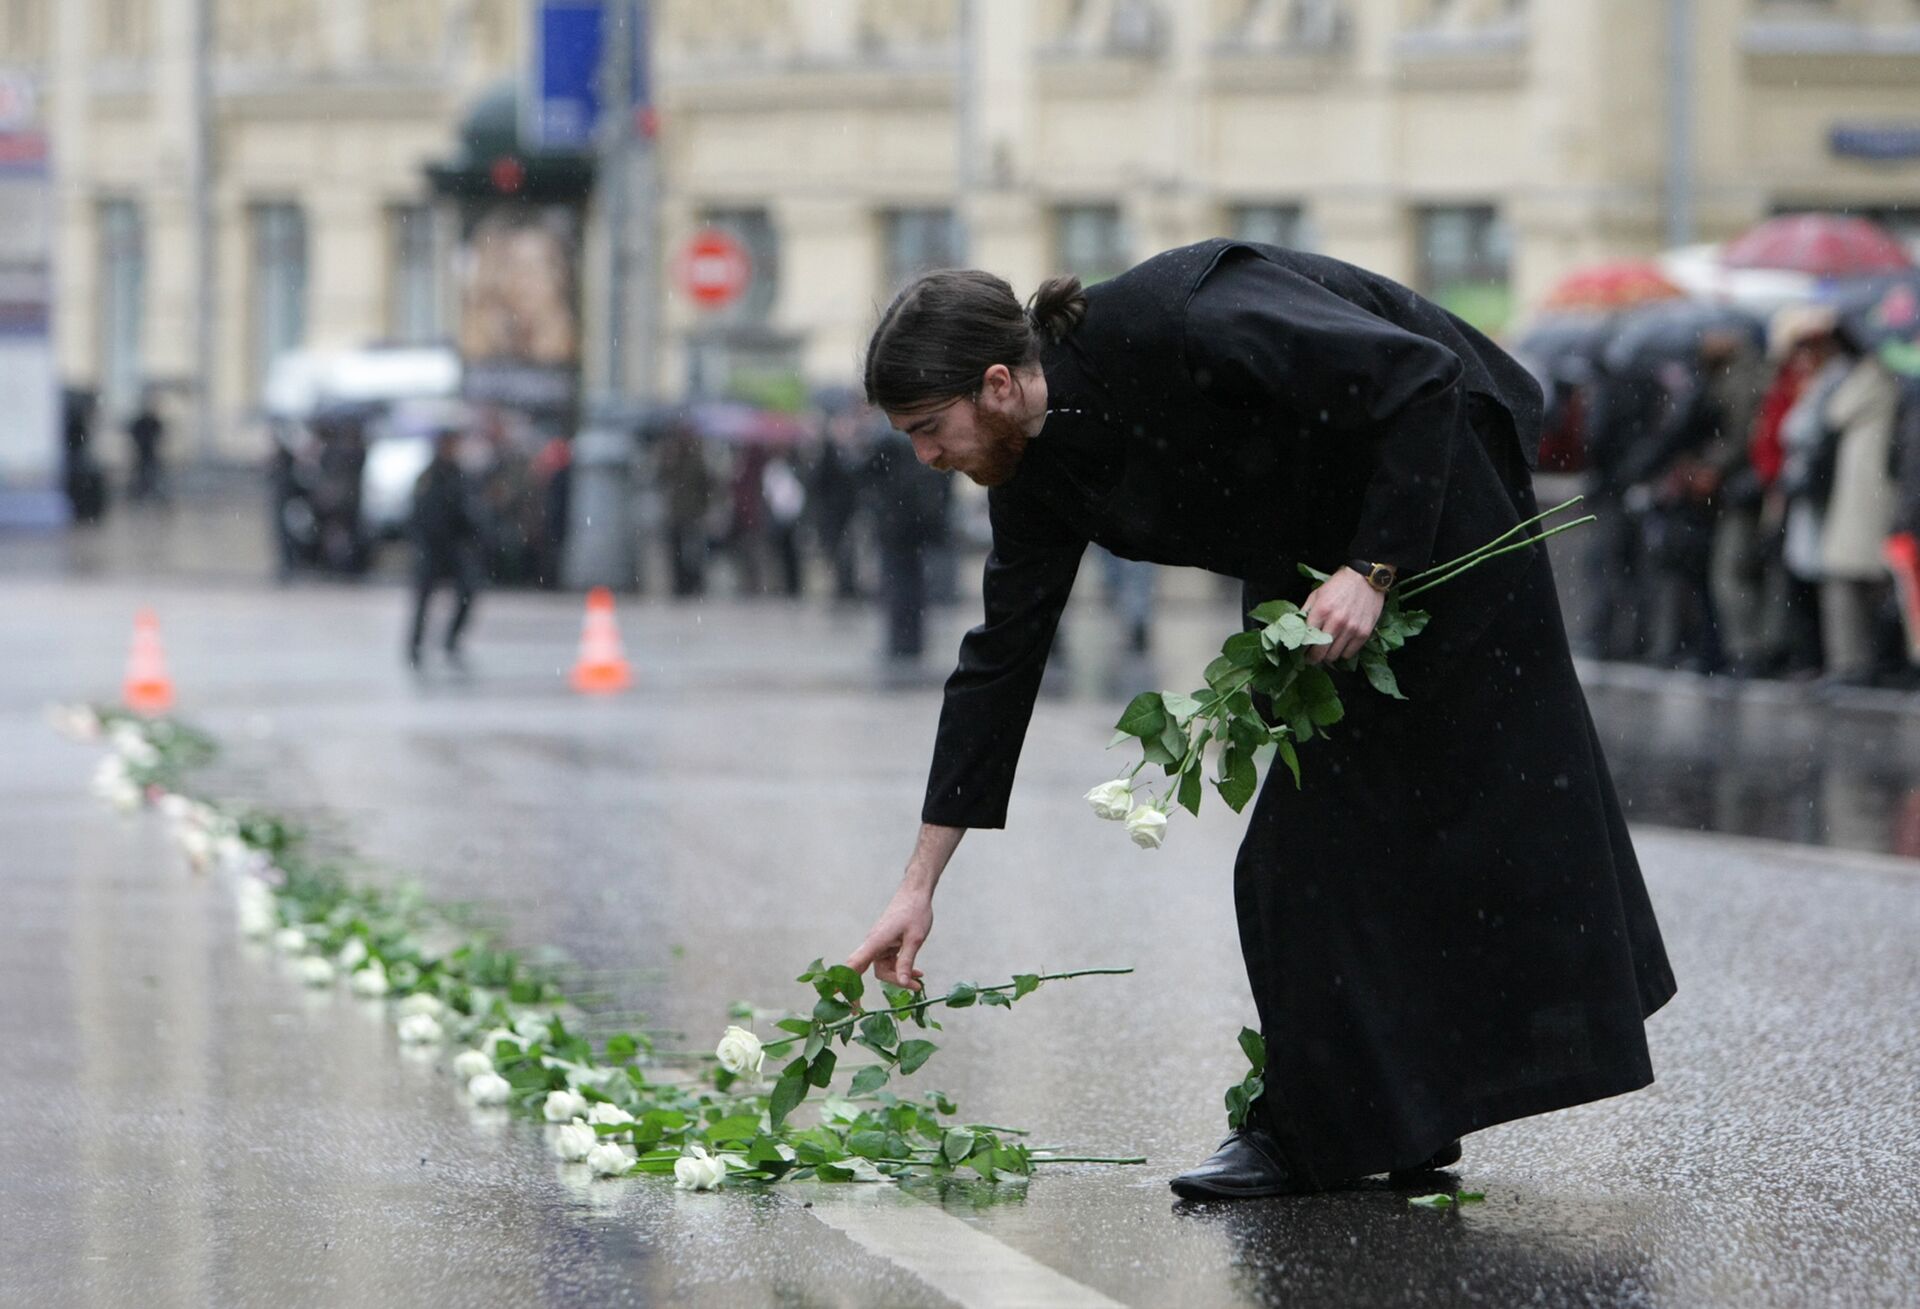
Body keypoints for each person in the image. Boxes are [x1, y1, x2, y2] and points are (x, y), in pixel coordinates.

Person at [842, 241, 1676, 1201]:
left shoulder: (1183, 315)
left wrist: (1375, 568)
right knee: (1339, 836)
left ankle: (1307, 1132)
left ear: (993, 383)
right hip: (1314, 565)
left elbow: (1419, 377)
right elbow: (999, 663)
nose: (925, 457)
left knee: (1322, 844)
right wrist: (919, 884)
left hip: (1436, 500)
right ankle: (1396, 1120)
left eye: (927, 427)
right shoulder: (1032, 472)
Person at [407, 430, 486, 671]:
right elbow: (419, 512)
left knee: (467, 592)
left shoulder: (460, 475)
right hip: (432, 546)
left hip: (455, 546)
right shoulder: (429, 476)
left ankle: (451, 640)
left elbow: (470, 510)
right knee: (423, 598)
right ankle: (415, 644)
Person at [126, 392, 166, 504]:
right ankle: (140, 493)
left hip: (147, 452)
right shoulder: (145, 422)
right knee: (142, 474)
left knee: (148, 474)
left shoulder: (149, 422)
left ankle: (142, 493)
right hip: (143, 452)